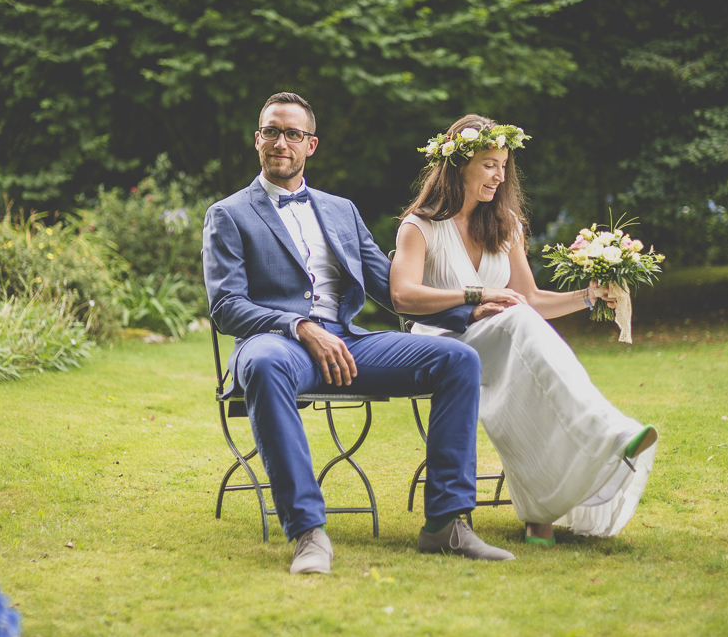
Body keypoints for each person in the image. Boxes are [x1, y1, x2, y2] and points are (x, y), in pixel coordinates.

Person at [203, 93, 515, 574]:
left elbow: (391, 289)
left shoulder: (340, 210)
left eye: (292, 134)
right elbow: (226, 307)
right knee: (263, 363)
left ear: (311, 145)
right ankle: (308, 532)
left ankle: (447, 526)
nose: (280, 141)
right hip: (275, 343)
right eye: (271, 131)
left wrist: (466, 311)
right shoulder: (229, 214)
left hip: (349, 342)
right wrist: (299, 326)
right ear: (258, 139)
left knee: (457, 361)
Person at [390, 114, 659, 545]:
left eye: (504, 165)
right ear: (459, 164)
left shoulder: (506, 225)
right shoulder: (419, 226)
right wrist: (475, 296)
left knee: (525, 354)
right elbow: (403, 296)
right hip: (442, 344)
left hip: (504, 336)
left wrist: (588, 296)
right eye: (489, 164)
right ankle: (606, 436)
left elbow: (527, 298)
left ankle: (541, 512)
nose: (499, 175)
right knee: (516, 321)